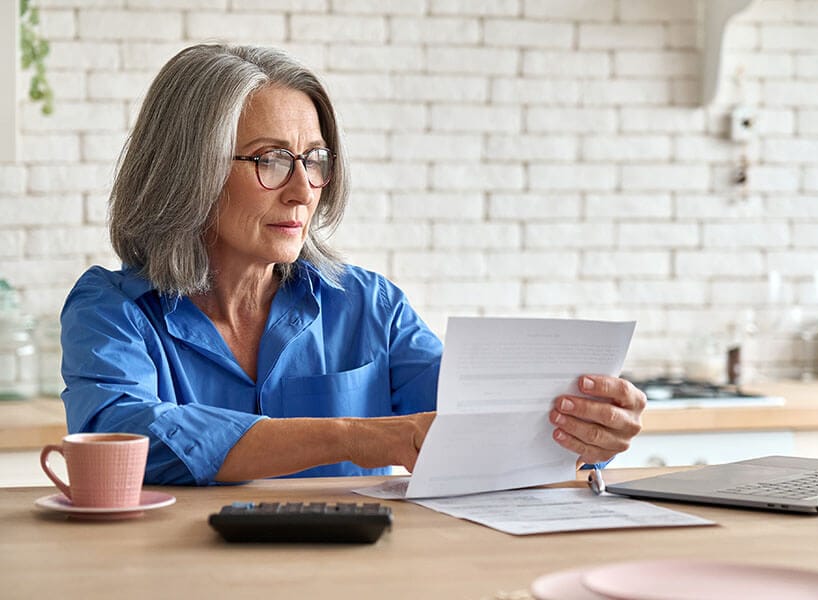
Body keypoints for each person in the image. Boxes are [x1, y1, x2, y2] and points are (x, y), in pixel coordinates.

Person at [59, 43, 646, 486]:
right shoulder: (112, 311)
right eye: (271, 160)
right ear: (189, 171)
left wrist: (587, 431)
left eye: (314, 159)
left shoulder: (371, 308)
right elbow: (124, 439)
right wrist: (356, 436)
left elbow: (477, 420)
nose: (303, 191)